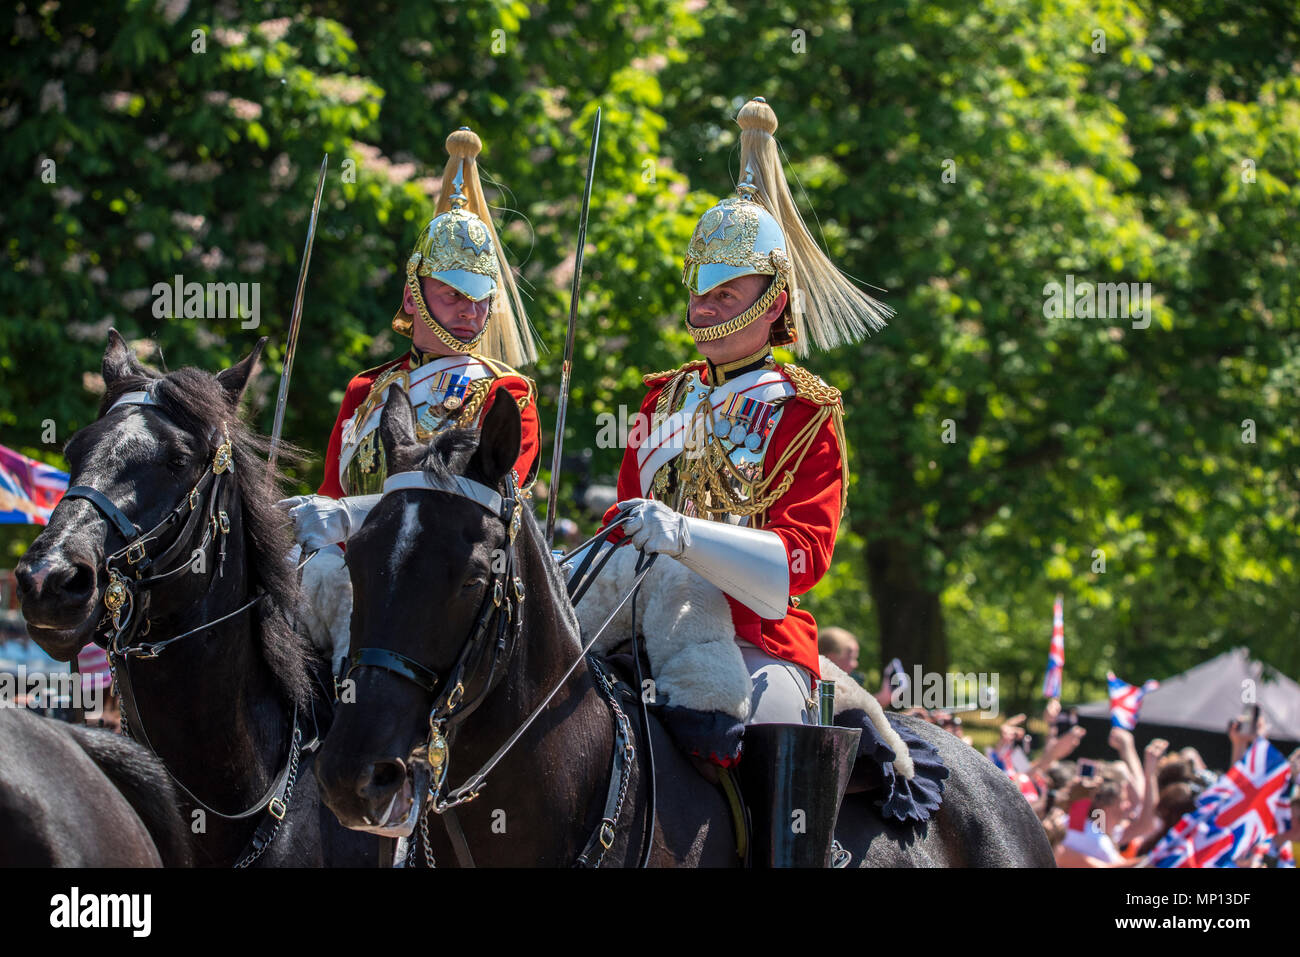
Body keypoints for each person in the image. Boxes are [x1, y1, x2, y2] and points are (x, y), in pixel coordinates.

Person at [279, 127, 540, 671]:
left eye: (479, 299)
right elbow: (332, 493)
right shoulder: (365, 391)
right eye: (451, 294)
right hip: (348, 580)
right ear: (413, 295)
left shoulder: (504, 393)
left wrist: (345, 518)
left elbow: (477, 506)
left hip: (445, 588)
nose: (469, 311)